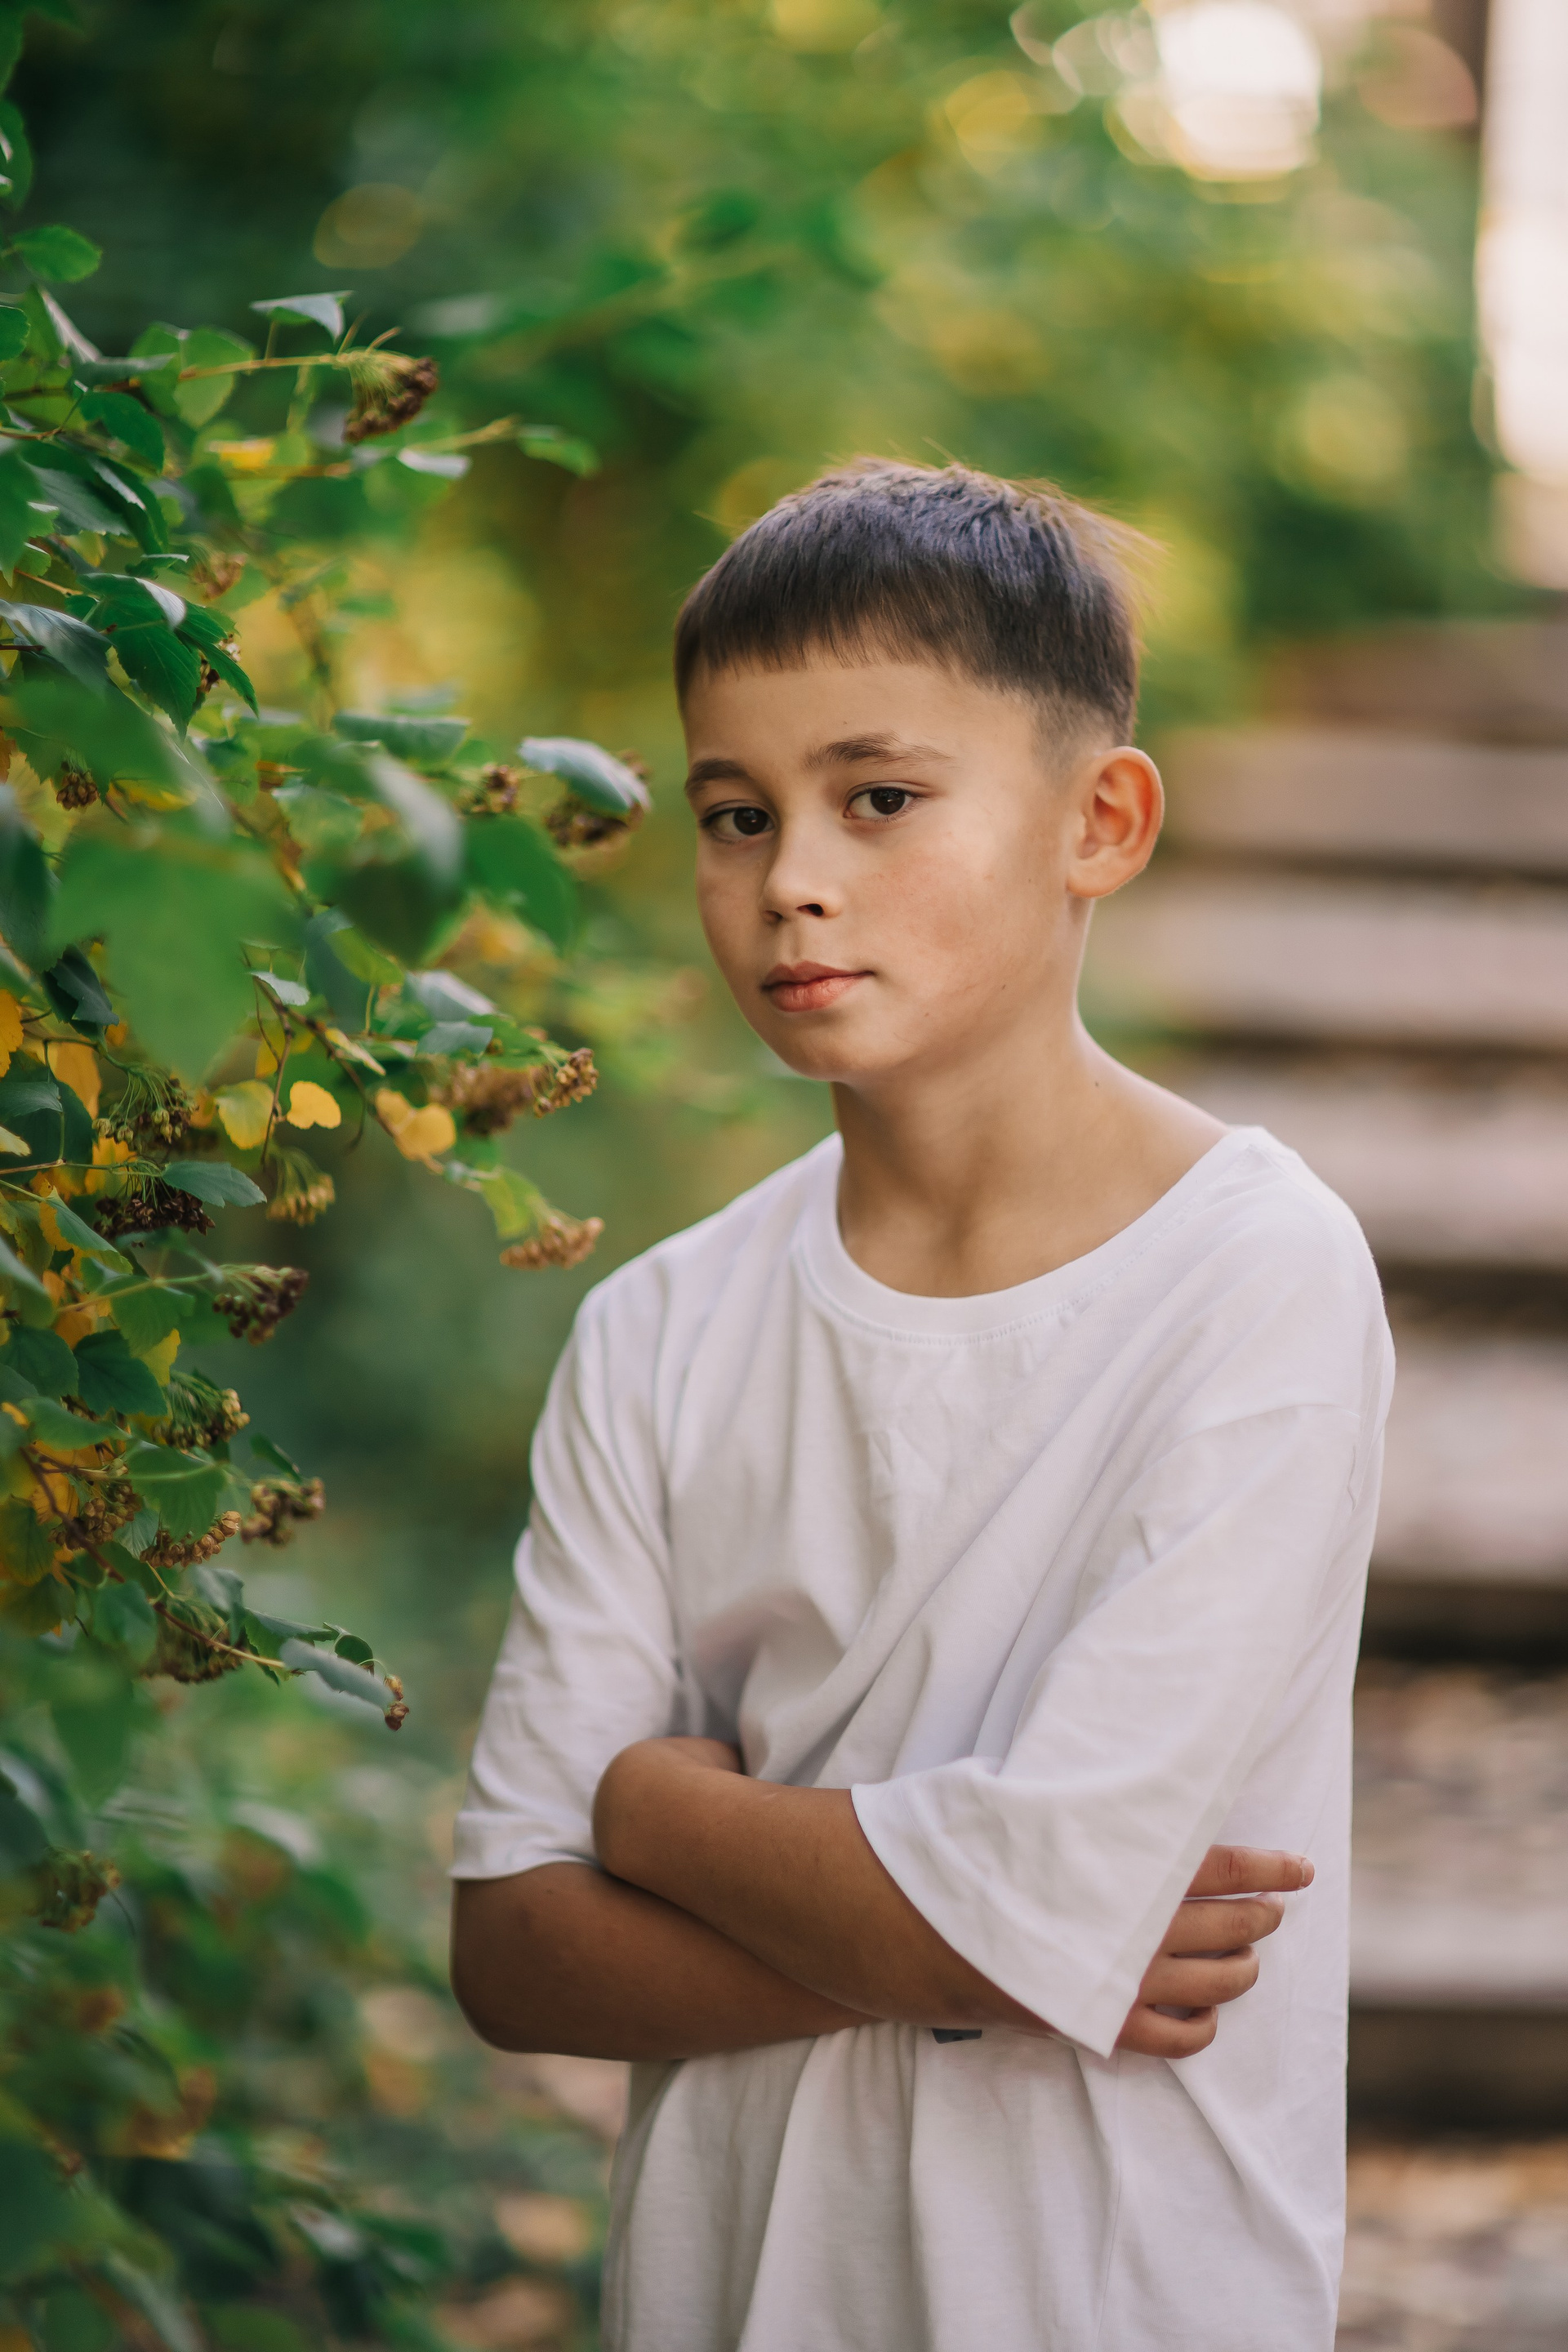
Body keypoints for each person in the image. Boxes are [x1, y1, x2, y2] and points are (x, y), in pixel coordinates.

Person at [449, 460, 1393, 2352]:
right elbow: (516, 1949)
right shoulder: (660, 1328)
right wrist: (1002, 1948)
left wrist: (656, 1809)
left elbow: (1036, 1894)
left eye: (879, 799)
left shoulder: (1253, 1279)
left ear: (1099, 822)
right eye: (737, 814)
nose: (792, 877)